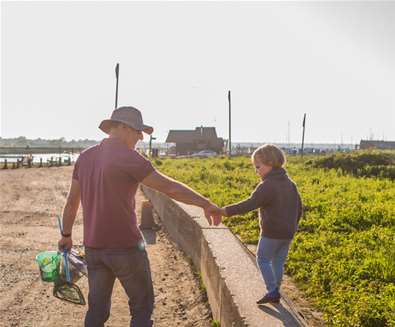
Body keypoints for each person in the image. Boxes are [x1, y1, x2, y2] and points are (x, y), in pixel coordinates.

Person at [58, 106, 221, 327]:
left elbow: (71, 203)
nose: (140, 137)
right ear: (124, 128)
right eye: (138, 131)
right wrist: (205, 203)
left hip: (94, 248)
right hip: (126, 247)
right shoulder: (129, 158)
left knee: (96, 310)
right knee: (142, 308)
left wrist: (66, 235)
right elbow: (169, 188)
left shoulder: (85, 157)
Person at [220, 144, 302, 304]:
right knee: (278, 261)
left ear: (270, 163)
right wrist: (293, 224)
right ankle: (276, 289)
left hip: (271, 232)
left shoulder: (267, 185)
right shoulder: (290, 184)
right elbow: (299, 207)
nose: (256, 171)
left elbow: (250, 204)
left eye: (258, 167)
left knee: (262, 259)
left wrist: (226, 211)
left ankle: (272, 291)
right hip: (288, 232)